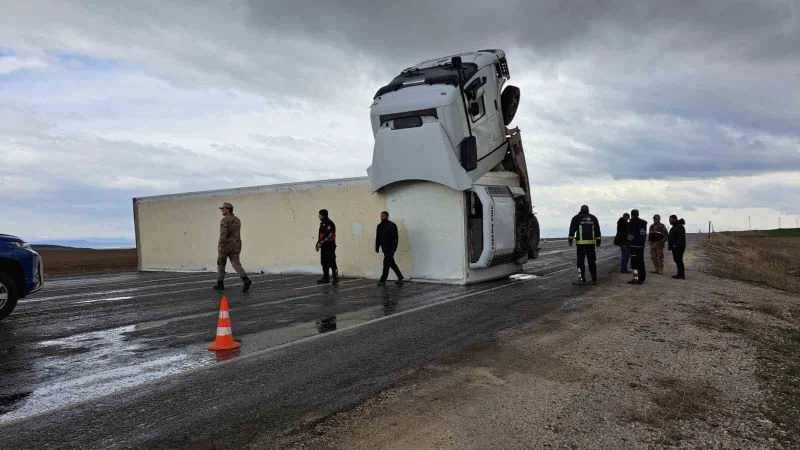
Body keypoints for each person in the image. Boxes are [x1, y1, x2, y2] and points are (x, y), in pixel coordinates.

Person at [213, 202, 252, 292]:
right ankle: (245, 279)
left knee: (221, 263)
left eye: (223, 209)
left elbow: (223, 234)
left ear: (228, 209)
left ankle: (220, 284)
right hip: (236, 245)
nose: (222, 210)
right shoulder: (237, 220)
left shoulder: (224, 220)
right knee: (236, 263)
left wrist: (220, 245)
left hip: (226, 245)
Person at [568, 205, 601, 285]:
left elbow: (572, 230)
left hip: (581, 245)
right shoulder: (593, 218)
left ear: (580, 210)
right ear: (588, 210)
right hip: (591, 244)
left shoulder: (576, 218)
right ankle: (594, 280)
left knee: (580, 263)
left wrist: (570, 240)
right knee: (592, 262)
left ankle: (582, 279)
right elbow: (597, 230)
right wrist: (598, 241)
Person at [375, 211, 404, 286]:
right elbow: (378, 237)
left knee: (386, 264)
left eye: (384, 216)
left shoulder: (392, 225)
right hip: (384, 249)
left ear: (387, 216)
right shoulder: (379, 226)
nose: (382, 217)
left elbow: (395, 238)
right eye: (381, 216)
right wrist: (377, 247)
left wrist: (393, 249)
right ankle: (400, 277)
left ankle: (382, 280)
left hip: (391, 249)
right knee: (392, 264)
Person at [316, 209, 340, 284]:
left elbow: (329, 235)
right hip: (324, 246)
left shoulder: (330, 224)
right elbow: (321, 236)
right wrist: (318, 243)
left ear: (323, 215)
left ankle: (336, 278)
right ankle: (325, 278)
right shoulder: (322, 223)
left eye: (319, 215)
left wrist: (321, 242)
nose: (318, 216)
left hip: (330, 246)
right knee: (324, 261)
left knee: (332, 261)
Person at [626, 209, 648, 285]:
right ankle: (642, 278)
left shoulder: (632, 222)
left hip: (634, 246)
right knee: (641, 262)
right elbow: (644, 234)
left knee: (634, 264)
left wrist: (627, 244)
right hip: (641, 246)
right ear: (638, 214)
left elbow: (630, 235)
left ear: (631, 215)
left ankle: (636, 279)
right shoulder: (643, 223)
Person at [668, 215, 687, 279]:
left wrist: (676, 245)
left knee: (679, 260)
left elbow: (680, 237)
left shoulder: (679, 226)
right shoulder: (675, 226)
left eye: (670, 219)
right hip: (675, 247)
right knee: (677, 260)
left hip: (679, 247)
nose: (669, 221)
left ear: (674, 219)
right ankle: (679, 273)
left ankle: (681, 275)